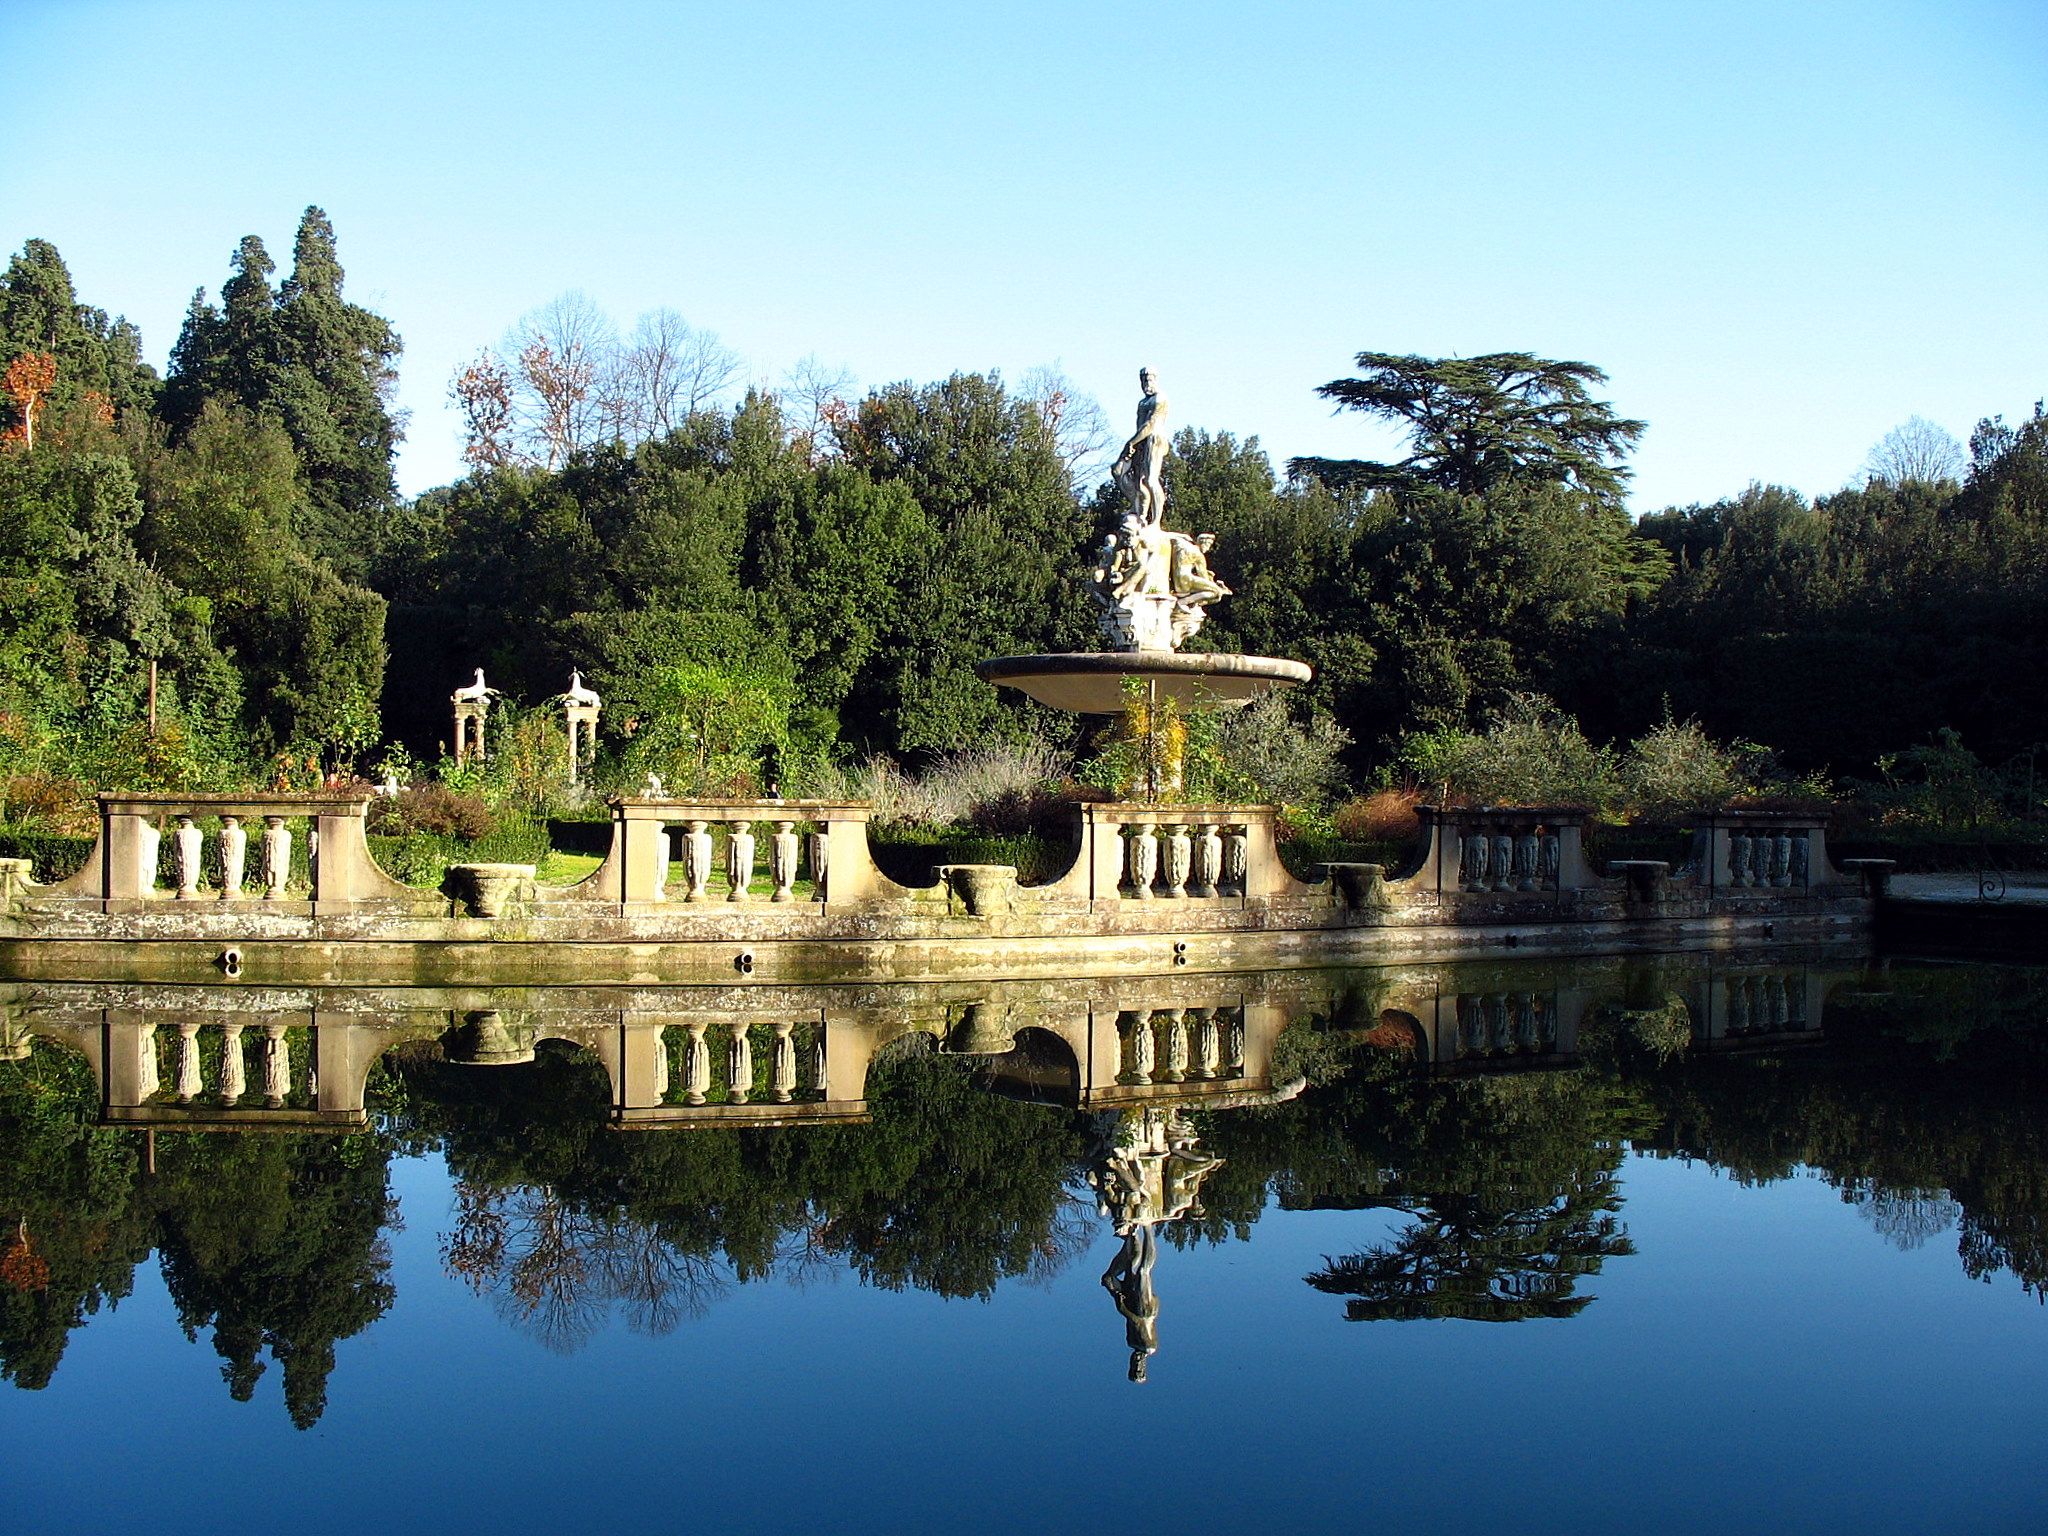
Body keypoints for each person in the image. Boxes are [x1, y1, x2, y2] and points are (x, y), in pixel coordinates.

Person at [1112, 367, 1171, 527]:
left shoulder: (1160, 398)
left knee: (1151, 480)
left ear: (1155, 379)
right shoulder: (1142, 402)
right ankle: (1137, 507)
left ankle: (1155, 521)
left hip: (1154, 439)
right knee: (1119, 471)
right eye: (1143, 380)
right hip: (1139, 442)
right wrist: (1134, 444)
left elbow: (1151, 424)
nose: (1146, 383)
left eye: (1149, 379)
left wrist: (1131, 443)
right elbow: (1140, 425)